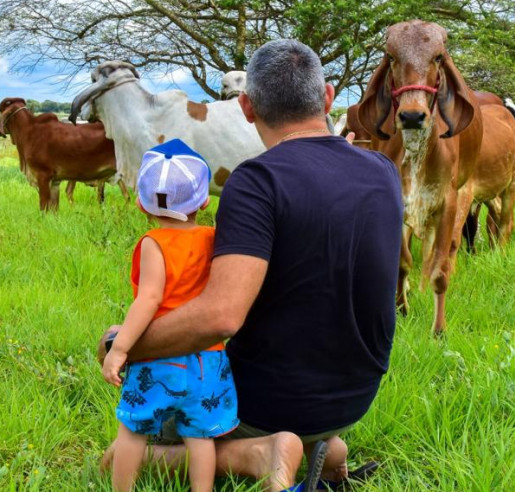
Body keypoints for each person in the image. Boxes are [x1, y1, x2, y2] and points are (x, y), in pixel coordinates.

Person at [97, 39, 403, 492]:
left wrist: (124, 346)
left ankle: (258, 452)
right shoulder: (382, 170)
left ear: (245, 106)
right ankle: (323, 446)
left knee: (113, 461)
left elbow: (221, 315)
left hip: (270, 403)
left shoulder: (257, 181)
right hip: (355, 397)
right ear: (328, 97)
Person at [101, 139, 239, 492]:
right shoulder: (213, 238)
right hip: (208, 360)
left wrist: (119, 350)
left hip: (160, 361)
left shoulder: (154, 243)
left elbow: (148, 300)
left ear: (141, 204)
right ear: (205, 201)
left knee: (134, 430)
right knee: (200, 435)